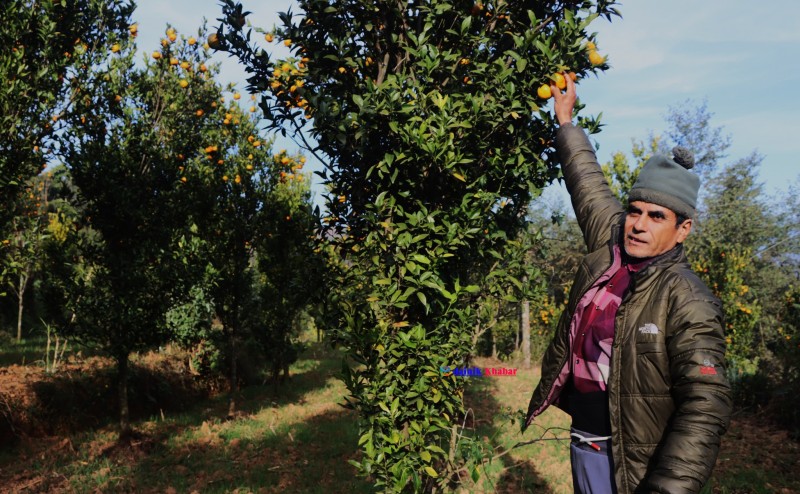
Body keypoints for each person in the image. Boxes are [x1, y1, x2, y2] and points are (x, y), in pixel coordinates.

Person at [523, 74, 732, 494]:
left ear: (683, 229)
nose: (638, 225)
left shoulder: (686, 298)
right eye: (635, 210)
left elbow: (706, 403)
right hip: (586, 441)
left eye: (657, 217)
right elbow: (587, 183)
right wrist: (566, 122)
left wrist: (667, 488)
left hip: (634, 463)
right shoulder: (613, 242)